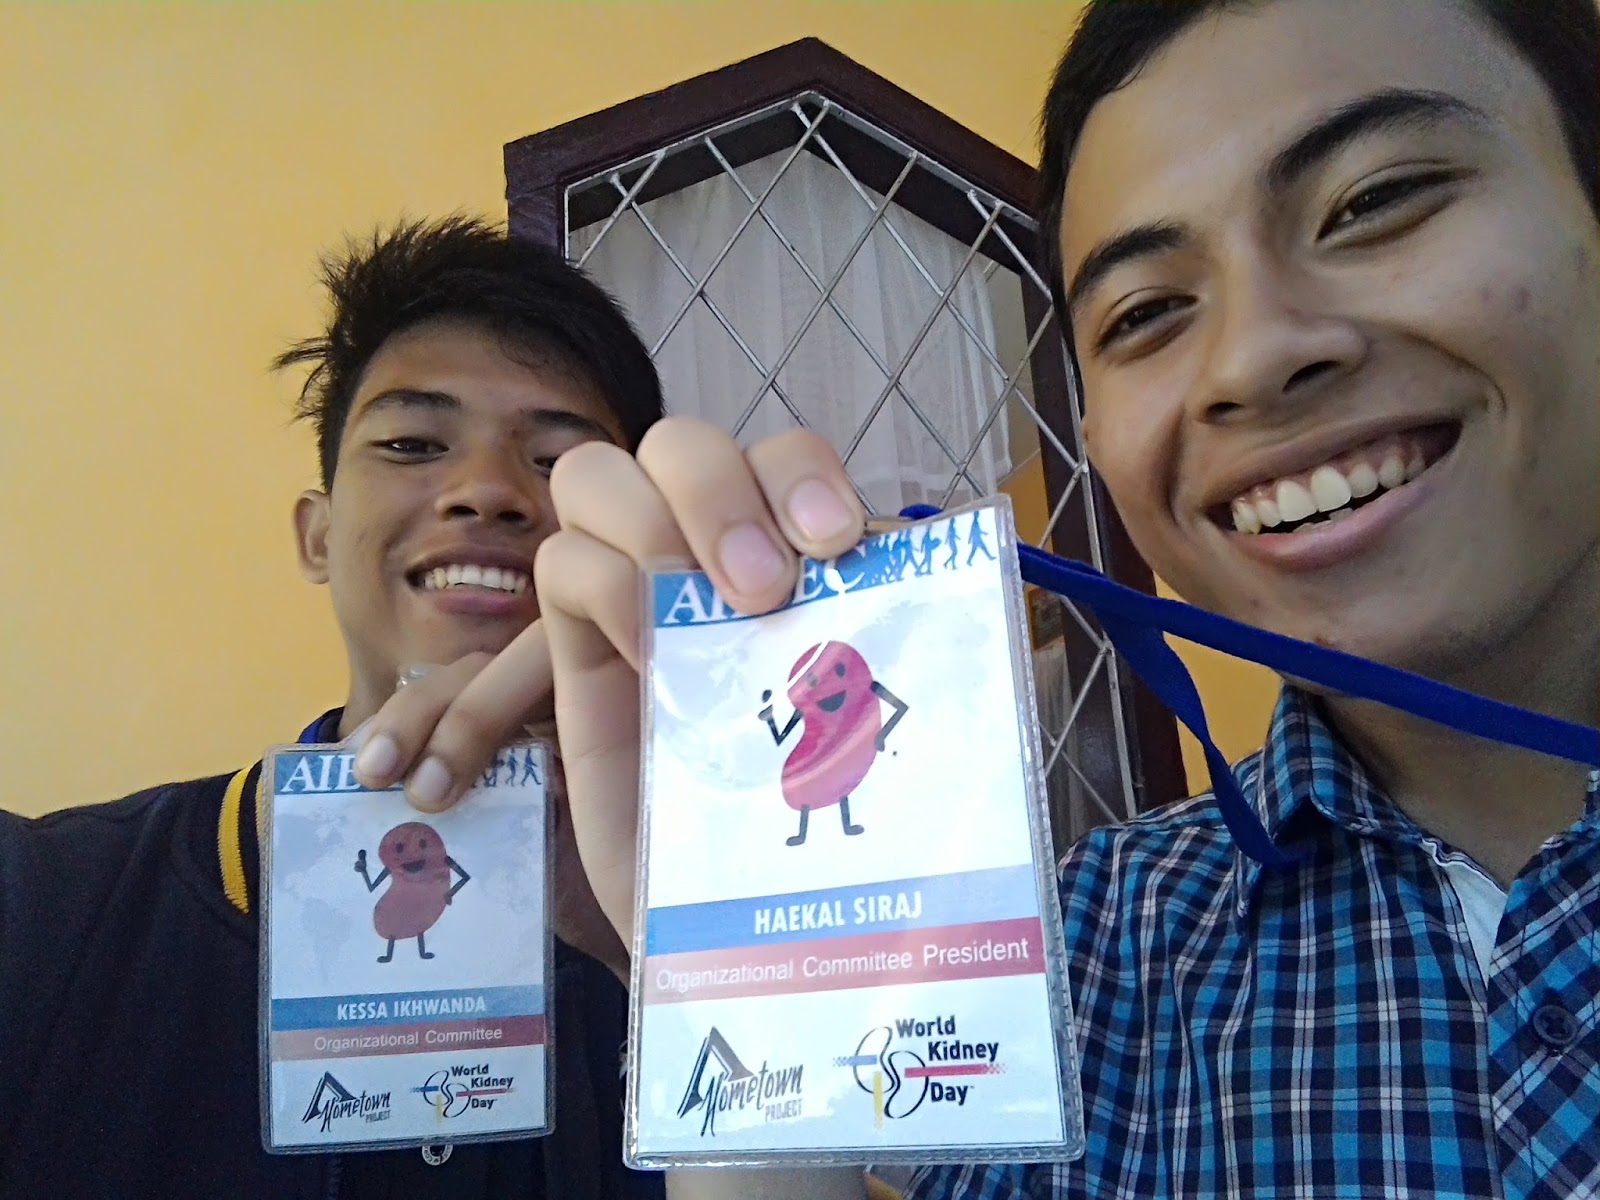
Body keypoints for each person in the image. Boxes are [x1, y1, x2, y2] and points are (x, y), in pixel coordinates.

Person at [347, 1, 1600, 1197]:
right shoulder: (1093, 959)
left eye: (1374, 202)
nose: (1254, 357)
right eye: (1148, 311)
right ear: (1092, 431)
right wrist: (732, 970)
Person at [0, 216, 669, 1199]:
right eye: (412, 443)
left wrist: (685, 974)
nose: (487, 491)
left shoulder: (715, 933)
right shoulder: (40, 910)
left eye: (559, 463)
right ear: (317, 537)